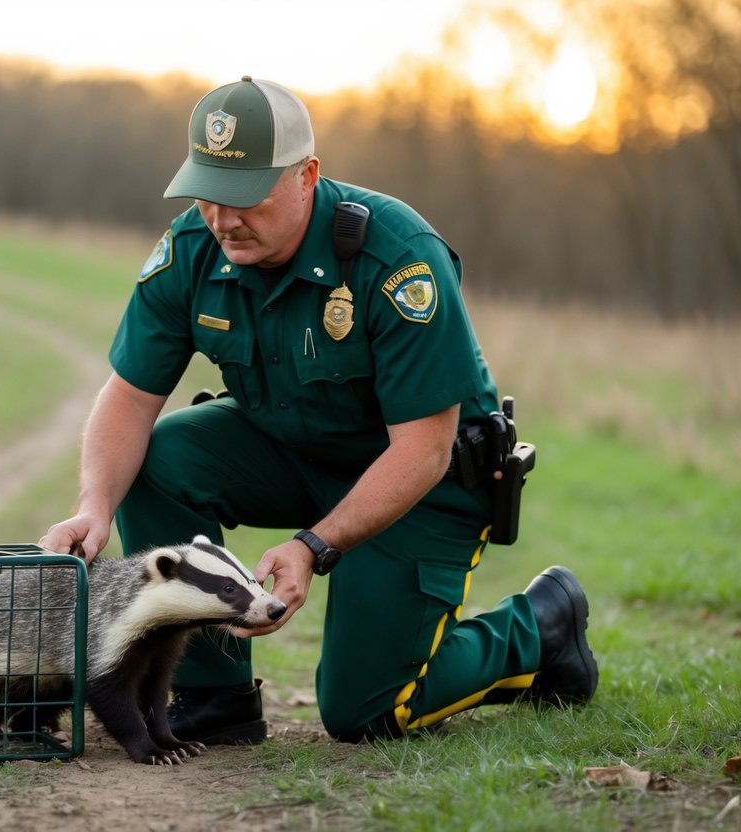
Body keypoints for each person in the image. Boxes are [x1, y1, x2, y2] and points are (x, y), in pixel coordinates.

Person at [39, 76, 597, 744]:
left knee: (365, 711)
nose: (222, 218)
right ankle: (213, 697)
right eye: (207, 193)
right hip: (290, 451)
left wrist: (313, 545)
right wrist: (93, 505)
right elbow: (129, 395)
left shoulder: (395, 259)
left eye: (244, 196)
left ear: (307, 175)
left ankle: (538, 628)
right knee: (154, 461)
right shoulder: (192, 248)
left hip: (421, 483)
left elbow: (423, 449)